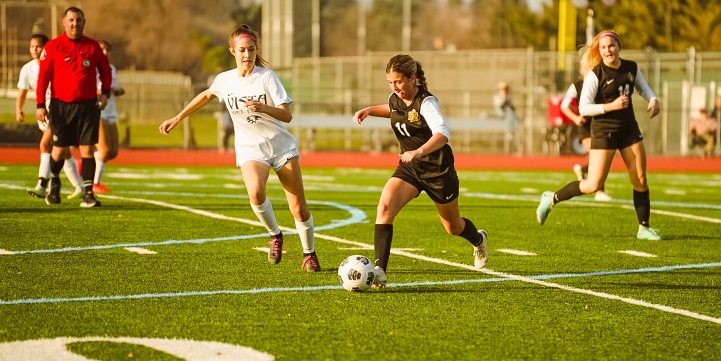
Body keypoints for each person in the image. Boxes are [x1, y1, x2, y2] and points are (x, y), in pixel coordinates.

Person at [158, 24, 321, 272]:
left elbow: (287, 116)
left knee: (297, 207)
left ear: (257, 51)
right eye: (242, 50)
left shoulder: (267, 77)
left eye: (252, 49)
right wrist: (177, 118)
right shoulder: (224, 80)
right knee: (255, 191)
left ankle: (309, 254)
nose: (247, 55)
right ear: (233, 51)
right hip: (250, 149)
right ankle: (275, 235)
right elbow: (205, 96)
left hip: (281, 147)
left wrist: (264, 108)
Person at [353, 54, 489, 288]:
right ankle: (380, 271)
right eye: (390, 82)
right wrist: (369, 110)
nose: (395, 87)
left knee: (452, 227)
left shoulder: (427, 102)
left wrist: (418, 152)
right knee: (384, 207)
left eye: (399, 82)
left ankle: (478, 239)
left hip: (438, 171)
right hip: (410, 169)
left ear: (413, 79)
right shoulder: (395, 98)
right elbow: (393, 109)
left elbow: (442, 134)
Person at [536, 30, 662, 241]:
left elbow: (643, 88)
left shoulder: (631, 67)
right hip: (604, 131)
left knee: (640, 178)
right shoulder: (596, 74)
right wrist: (610, 106)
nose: (607, 50)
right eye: (603, 47)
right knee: (592, 184)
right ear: (599, 51)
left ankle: (644, 228)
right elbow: (584, 108)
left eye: (611, 46)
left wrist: (653, 99)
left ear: (618, 46)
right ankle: (551, 198)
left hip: (629, 129)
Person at [36, 7, 112, 208]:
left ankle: (88, 194)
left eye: (78, 20)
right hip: (61, 107)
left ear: (83, 22)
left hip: (88, 107)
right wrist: (40, 105)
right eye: (71, 20)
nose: (74, 23)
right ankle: (55, 182)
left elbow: (105, 71)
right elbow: (43, 77)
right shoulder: (53, 47)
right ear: (64, 22)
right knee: (59, 151)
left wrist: (105, 93)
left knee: (87, 149)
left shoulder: (93, 47)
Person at [15, 34, 85, 200]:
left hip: (60, 110)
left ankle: (42, 184)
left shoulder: (57, 64)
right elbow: (23, 92)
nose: (35, 50)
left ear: (46, 48)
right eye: (32, 46)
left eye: (38, 46)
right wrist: (19, 109)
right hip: (43, 111)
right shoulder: (27, 69)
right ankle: (80, 186)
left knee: (45, 145)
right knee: (63, 150)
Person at [561, 54, 612, 201]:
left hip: (598, 124)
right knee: (596, 154)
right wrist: (575, 118)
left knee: (602, 156)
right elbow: (564, 106)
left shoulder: (598, 82)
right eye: (585, 67)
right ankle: (600, 191)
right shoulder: (576, 86)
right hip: (584, 126)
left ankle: (582, 170)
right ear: (580, 71)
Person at [93, 40, 125, 194]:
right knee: (104, 150)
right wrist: (104, 91)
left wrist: (117, 91)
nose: (105, 53)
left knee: (113, 152)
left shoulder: (111, 69)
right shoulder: (92, 69)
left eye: (107, 50)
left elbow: (114, 89)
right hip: (98, 111)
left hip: (111, 112)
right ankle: (94, 183)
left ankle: (85, 164)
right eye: (102, 50)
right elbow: (89, 90)